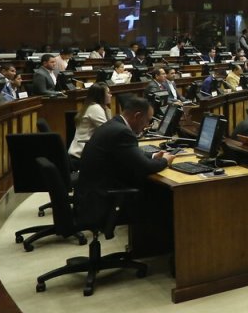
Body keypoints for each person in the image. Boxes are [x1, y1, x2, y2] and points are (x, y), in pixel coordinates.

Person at [75, 97, 175, 226]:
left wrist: (153, 155)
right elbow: (146, 167)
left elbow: (129, 154)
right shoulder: (122, 132)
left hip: (91, 193)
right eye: (148, 120)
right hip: (103, 200)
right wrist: (165, 161)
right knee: (161, 195)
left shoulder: (114, 124)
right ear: (137, 116)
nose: (147, 126)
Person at [68, 84, 112, 166]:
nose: (111, 95)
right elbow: (109, 131)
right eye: (108, 93)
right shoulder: (95, 108)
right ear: (101, 96)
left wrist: (107, 109)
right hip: (81, 156)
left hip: (84, 153)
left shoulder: (93, 106)